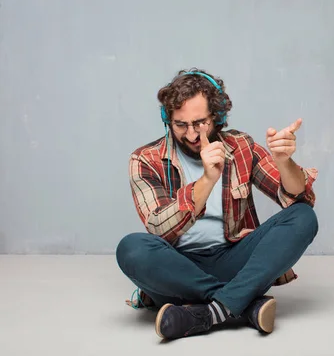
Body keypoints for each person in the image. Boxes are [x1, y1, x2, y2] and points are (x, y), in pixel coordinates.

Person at [116, 68, 319, 340]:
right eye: (180, 124)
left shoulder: (241, 146)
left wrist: (284, 162)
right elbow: (158, 228)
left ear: (218, 116)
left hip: (233, 259)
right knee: (131, 248)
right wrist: (207, 180)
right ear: (167, 119)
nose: (191, 134)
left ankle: (207, 312)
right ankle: (241, 303)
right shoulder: (144, 160)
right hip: (176, 269)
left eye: (199, 123)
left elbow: (297, 197)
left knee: (304, 217)